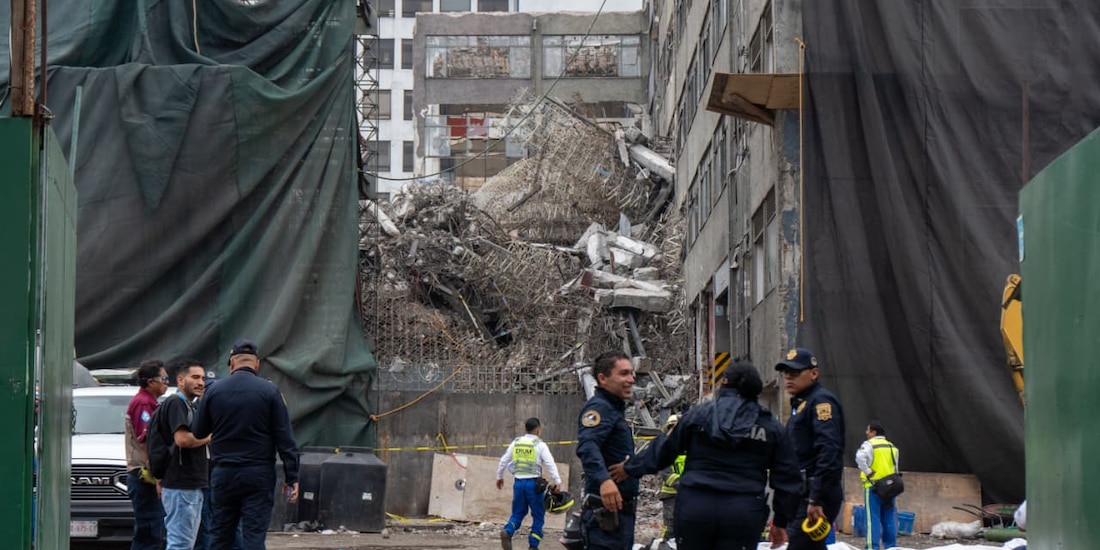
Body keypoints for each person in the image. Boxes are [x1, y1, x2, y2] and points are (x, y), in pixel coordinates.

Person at [611, 360, 803, 550]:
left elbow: (664, 448)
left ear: (725, 383)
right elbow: (788, 477)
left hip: (696, 506)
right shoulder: (770, 427)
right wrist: (780, 521)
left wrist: (629, 468)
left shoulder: (698, 415)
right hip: (743, 510)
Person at [192, 340, 301, 550]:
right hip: (258, 474)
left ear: (231, 363)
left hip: (223, 474)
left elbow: (198, 431)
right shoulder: (270, 391)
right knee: (253, 536)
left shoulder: (213, 391)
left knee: (220, 535)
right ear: (257, 364)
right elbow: (285, 438)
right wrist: (292, 476)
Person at [772, 348, 846, 550]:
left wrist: (817, 497)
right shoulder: (802, 404)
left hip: (815, 494)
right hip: (803, 493)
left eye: (795, 373)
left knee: (801, 545)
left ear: (814, 373)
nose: (788, 377)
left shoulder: (821, 403)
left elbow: (829, 451)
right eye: (786, 372)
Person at [575, 351, 638, 550]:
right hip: (605, 517)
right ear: (603, 379)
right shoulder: (600, 408)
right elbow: (587, 446)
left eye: (632, 373)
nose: (631, 379)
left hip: (619, 516)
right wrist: (604, 480)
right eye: (624, 374)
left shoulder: (614, 409)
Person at [159, 360, 213, 550]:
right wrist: (208, 438)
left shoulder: (190, 406)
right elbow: (182, 440)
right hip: (182, 485)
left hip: (188, 486)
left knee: (185, 543)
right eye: (195, 377)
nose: (201, 382)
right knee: (180, 544)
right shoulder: (176, 403)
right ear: (180, 380)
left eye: (203, 378)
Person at [194, 371, 245, 550]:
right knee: (207, 523)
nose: (208, 391)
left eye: (212, 388)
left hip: (222, 471)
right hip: (202, 473)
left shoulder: (224, 411)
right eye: (206, 387)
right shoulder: (193, 409)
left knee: (229, 522)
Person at [496, 417, 563, 550]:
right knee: (538, 515)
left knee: (518, 513)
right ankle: (533, 546)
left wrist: (499, 476)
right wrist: (557, 481)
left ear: (525, 429)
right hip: (534, 486)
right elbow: (550, 463)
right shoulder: (540, 445)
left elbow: (504, 460)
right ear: (538, 430)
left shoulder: (516, 442)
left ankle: (508, 531)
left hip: (519, 484)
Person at [124, 359, 169, 550]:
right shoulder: (143, 404)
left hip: (146, 478)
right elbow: (146, 442)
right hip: (144, 477)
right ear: (151, 382)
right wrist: (157, 477)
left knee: (152, 531)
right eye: (164, 378)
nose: (167, 382)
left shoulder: (150, 403)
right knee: (149, 532)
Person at [855, 422, 899, 550]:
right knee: (889, 517)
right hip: (890, 488)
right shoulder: (892, 446)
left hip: (873, 487)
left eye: (868, 430)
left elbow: (859, 458)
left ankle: (872, 547)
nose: (866, 433)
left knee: (872, 519)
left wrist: (868, 472)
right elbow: (895, 467)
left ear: (874, 432)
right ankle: (891, 547)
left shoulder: (869, 445)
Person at [656, 415, 684, 542]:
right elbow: (665, 473)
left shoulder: (691, 448)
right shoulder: (665, 449)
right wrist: (682, 484)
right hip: (671, 495)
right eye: (670, 427)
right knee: (670, 527)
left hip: (688, 494)